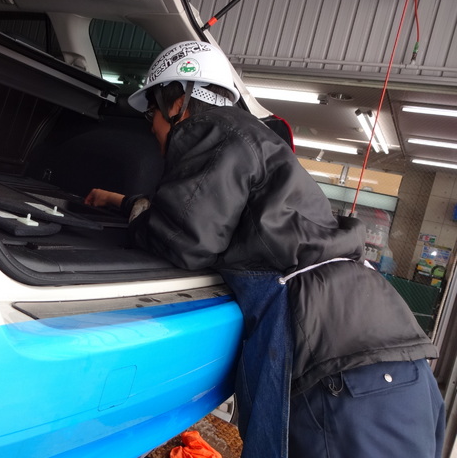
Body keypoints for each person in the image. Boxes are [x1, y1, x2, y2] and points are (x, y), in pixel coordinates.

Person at [85, 41, 445, 458]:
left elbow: (186, 240)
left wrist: (135, 219)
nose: (154, 132)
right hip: (396, 359)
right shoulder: (257, 141)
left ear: (177, 100)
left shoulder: (207, 127)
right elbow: (208, 211)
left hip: (342, 370)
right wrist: (125, 202)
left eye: (153, 116)